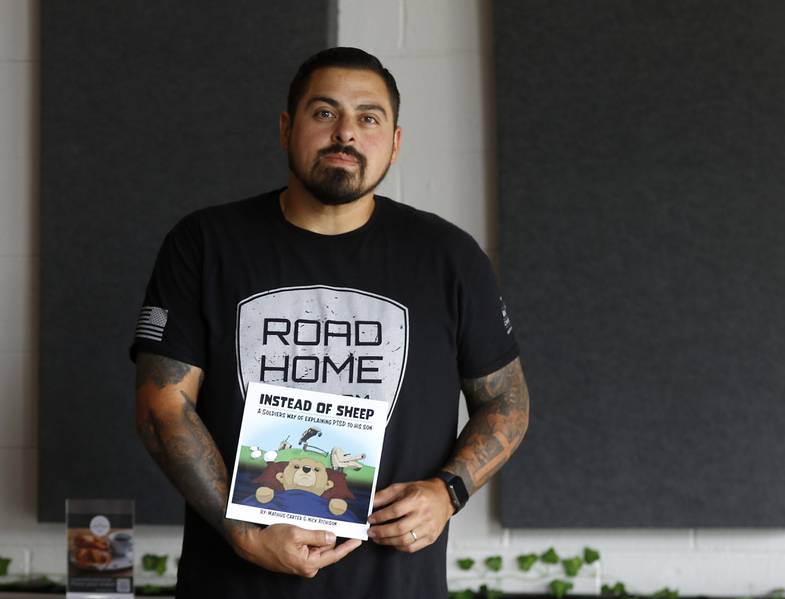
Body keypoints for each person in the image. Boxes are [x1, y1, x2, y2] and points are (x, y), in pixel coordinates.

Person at [131, 47, 529, 598]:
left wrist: (448, 492)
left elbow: (507, 400)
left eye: (368, 118)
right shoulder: (204, 244)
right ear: (286, 127)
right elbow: (161, 405)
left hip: (395, 585)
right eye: (324, 113)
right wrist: (242, 530)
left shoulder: (448, 257)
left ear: (393, 142)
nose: (346, 133)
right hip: (232, 584)